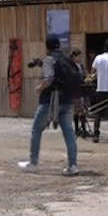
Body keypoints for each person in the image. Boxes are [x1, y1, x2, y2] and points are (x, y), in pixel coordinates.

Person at [18, 37, 80, 176]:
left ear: (47, 47)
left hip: (50, 101)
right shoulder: (66, 59)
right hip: (68, 100)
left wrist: (40, 87)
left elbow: (50, 78)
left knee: (36, 129)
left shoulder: (49, 59)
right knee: (69, 133)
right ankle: (73, 165)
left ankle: (33, 163)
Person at [70, 48, 90, 138]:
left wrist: (88, 77)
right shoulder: (71, 66)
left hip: (83, 90)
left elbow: (86, 74)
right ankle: (77, 129)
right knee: (77, 111)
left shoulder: (81, 66)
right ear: (74, 57)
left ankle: (84, 129)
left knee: (84, 110)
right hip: (76, 91)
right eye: (79, 56)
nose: (80, 58)